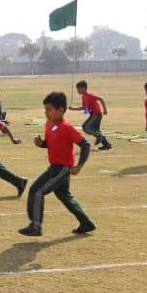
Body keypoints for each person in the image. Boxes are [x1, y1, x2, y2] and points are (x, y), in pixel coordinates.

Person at [18, 91, 96, 237]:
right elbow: (50, 143)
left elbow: (85, 145)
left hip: (61, 169)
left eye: (49, 109)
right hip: (55, 167)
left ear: (60, 110)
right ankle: (86, 223)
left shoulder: (67, 128)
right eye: (45, 109)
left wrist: (79, 165)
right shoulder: (49, 124)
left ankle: (35, 226)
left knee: (36, 191)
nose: (46, 112)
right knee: (64, 196)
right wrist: (41, 144)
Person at [69, 80, 112, 151]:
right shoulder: (84, 97)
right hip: (94, 114)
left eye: (78, 89)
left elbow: (101, 99)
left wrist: (105, 110)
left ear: (84, 88)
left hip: (96, 114)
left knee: (86, 127)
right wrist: (73, 109)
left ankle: (100, 136)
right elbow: (84, 107)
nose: (77, 90)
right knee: (95, 130)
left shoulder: (89, 95)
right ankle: (106, 145)